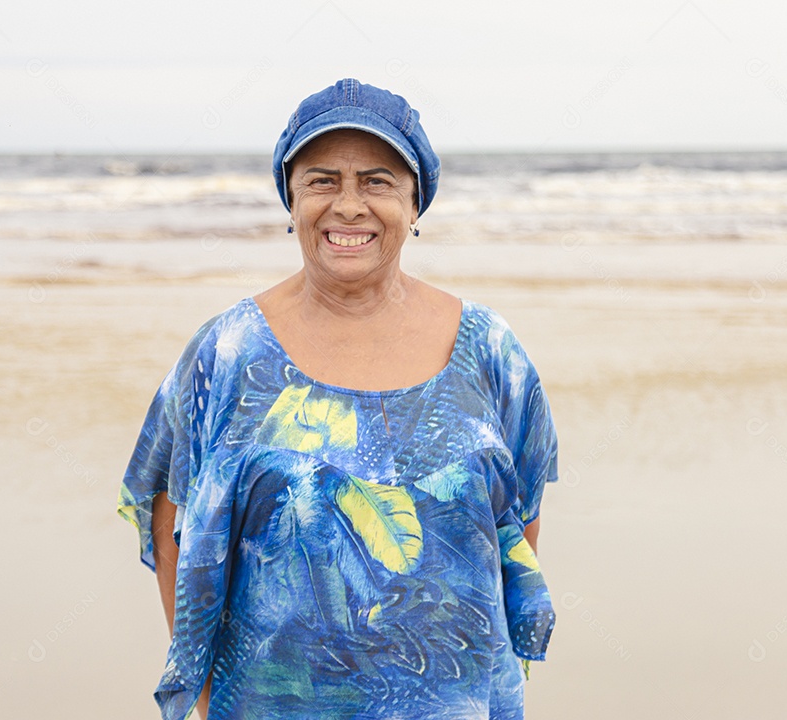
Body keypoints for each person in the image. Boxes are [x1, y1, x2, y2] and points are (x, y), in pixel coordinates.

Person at [118, 78, 559, 720]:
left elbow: (520, 520)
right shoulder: (229, 351)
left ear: (415, 203)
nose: (349, 206)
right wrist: (209, 696)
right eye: (322, 181)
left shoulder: (490, 349)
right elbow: (169, 513)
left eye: (377, 181)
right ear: (291, 200)